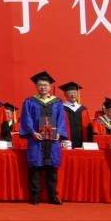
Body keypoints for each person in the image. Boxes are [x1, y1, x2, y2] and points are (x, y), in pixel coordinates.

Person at [20, 71, 66, 205]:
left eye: (45, 85)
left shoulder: (57, 102)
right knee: (35, 167)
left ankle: (53, 196)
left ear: (50, 87)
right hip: (36, 139)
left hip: (53, 140)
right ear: (36, 87)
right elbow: (26, 118)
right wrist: (33, 132)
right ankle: (35, 197)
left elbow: (61, 119)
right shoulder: (30, 101)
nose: (43, 87)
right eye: (40, 85)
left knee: (52, 168)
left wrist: (59, 132)